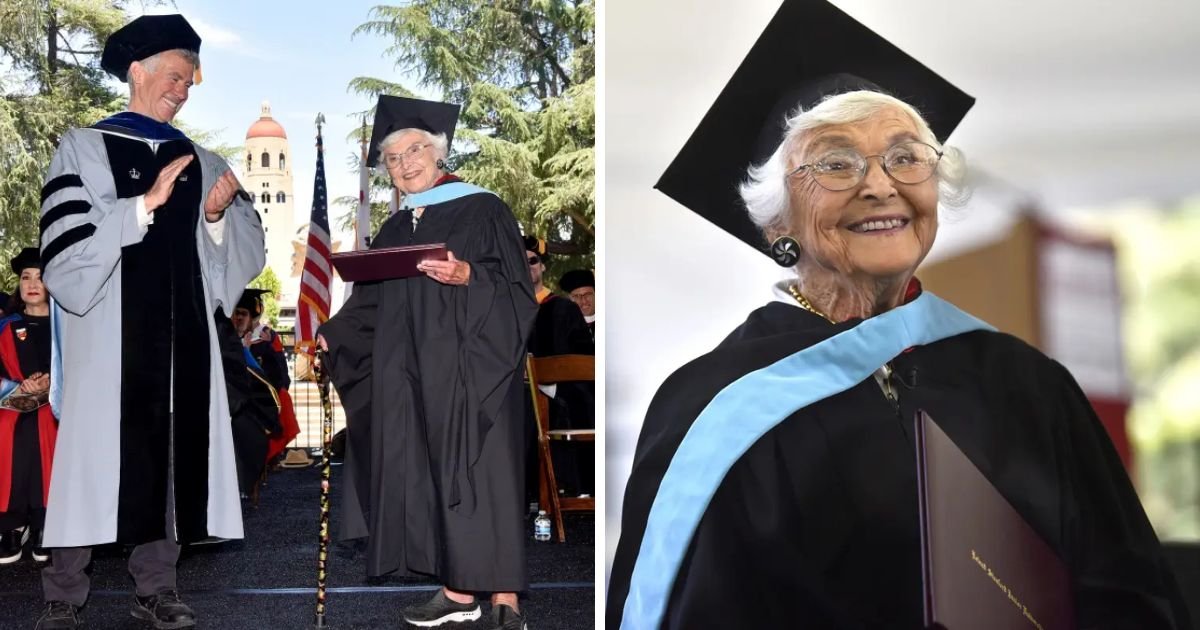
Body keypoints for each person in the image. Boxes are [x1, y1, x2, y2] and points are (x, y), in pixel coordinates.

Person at [607, 2, 1191, 628]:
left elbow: (1131, 594)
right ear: (777, 219)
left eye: (907, 157)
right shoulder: (715, 404)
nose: (880, 185)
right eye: (835, 163)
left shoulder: (1025, 384)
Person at [36, 14, 264, 630]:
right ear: (136, 72)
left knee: (171, 460)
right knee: (90, 462)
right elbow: (64, 254)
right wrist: (140, 208)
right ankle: (63, 592)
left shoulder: (201, 158)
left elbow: (233, 260)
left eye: (190, 81)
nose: (183, 89)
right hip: (110, 343)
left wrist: (215, 216)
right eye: (174, 75)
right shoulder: (83, 147)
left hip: (183, 344)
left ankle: (157, 587)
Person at [317, 95, 537, 630]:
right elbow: (370, 306)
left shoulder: (484, 208)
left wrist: (470, 278)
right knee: (430, 474)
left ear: (439, 153)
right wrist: (332, 335)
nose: (405, 163)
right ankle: (457, 592)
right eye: (393, 157)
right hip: (413, 375)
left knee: (485, 474)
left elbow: (515, 290)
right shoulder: (394, 230)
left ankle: (505, 598)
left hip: (474, 370)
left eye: (415, 149)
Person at [525, 243, 594, 498]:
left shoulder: (563, 308)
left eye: (532, 260)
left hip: (556, 394)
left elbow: (584, 361)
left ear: (542, 265)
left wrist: (548, 381)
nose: (527, 266)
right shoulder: (504, 310)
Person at [0, 248, 56, 566]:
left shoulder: (70, 326)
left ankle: (45, 522)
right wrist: (18, 387)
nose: (32, 283)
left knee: (46, 425)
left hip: (59, 404)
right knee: (12, 428)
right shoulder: (5, 327)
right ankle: (11, 524)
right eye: (25, 277)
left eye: (40, 277)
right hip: (10, 404)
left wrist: (52, 383)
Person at [232, 288, 298, 464]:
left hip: (264, 396)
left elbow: (280, 375)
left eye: (243, 314)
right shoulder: (228, 337)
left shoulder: (267, 337)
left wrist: (267, 349)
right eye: (236, 313)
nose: (239, 319)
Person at [559, 269, 595, 342]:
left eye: (588, 294)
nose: (584, 301)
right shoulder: (562, 329)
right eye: (577, 296)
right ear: (569, 299)